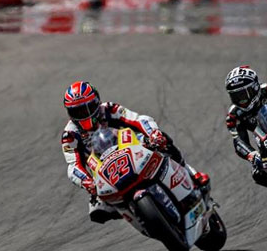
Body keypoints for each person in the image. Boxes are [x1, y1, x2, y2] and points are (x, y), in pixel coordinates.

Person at [61, 81, 209, 223]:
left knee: (164, 142)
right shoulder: (70, 135)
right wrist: (86, 181)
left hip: (131, 148)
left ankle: (191, 174)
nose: (83, 114)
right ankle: (134, 214)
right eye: (77, 111)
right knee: (98, 211)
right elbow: (73, 166)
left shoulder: (109, 109)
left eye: (87, 108)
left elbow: (139, 119)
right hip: (102, 170)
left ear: (96, 102)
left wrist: (153, 133)